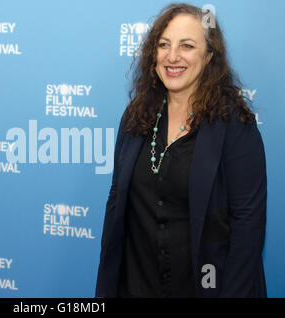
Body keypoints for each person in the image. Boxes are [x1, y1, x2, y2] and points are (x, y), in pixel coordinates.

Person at [96, 3, 267, 298]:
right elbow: (116, 206)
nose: (172, 56)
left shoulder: (235, 124)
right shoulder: (136, 116)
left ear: (209, 55)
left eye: (187, 46)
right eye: (164, 45)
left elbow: (247, 226)